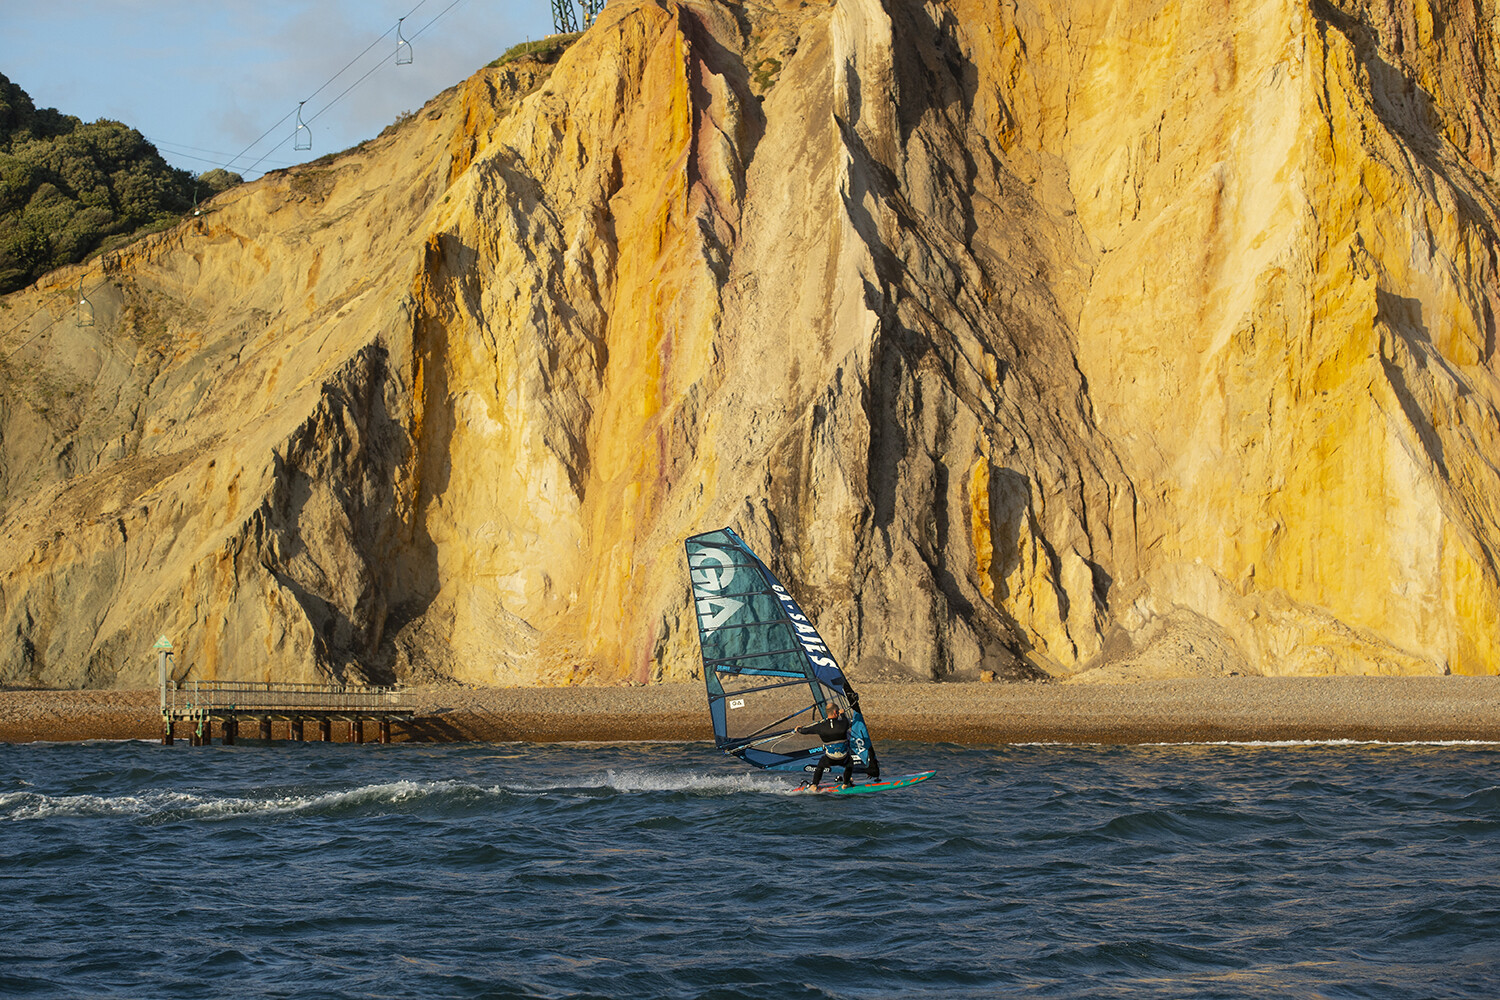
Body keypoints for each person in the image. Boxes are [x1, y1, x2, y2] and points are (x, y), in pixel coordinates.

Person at [796, 703, 854, 787]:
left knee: (820, 765)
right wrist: (842, 714)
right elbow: (848, 722)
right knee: (850, 763)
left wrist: (799, 729)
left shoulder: (820, 726)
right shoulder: (844, 723)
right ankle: (846, 783)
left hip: (830, 759)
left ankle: (814, 785)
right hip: (843, 758)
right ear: (835, 712)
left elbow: (804, 731)